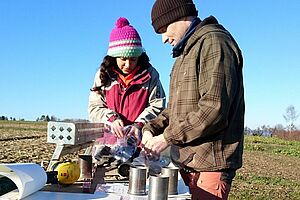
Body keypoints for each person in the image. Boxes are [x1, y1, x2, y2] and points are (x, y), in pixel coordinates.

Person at [142, 0, 245, 199]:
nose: (163, 39)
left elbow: (213, 109)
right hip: (188, 162)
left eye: (164, 29)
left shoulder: (214, 43)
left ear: (180, 15)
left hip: (209, 166)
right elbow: (173, 110)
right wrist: (150, 128)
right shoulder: (184, 55)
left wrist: (166, 138)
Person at [88, 17, 166, 145]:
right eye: (123, 59)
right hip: (108, 144)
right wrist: (112, 119)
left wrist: (139, 124)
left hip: (140, 143)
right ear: (113, 57)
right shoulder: (103, 76)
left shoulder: (150, 75)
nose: (128, 65)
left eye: (133, 59)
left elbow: (158, 106)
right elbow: (94, 108)